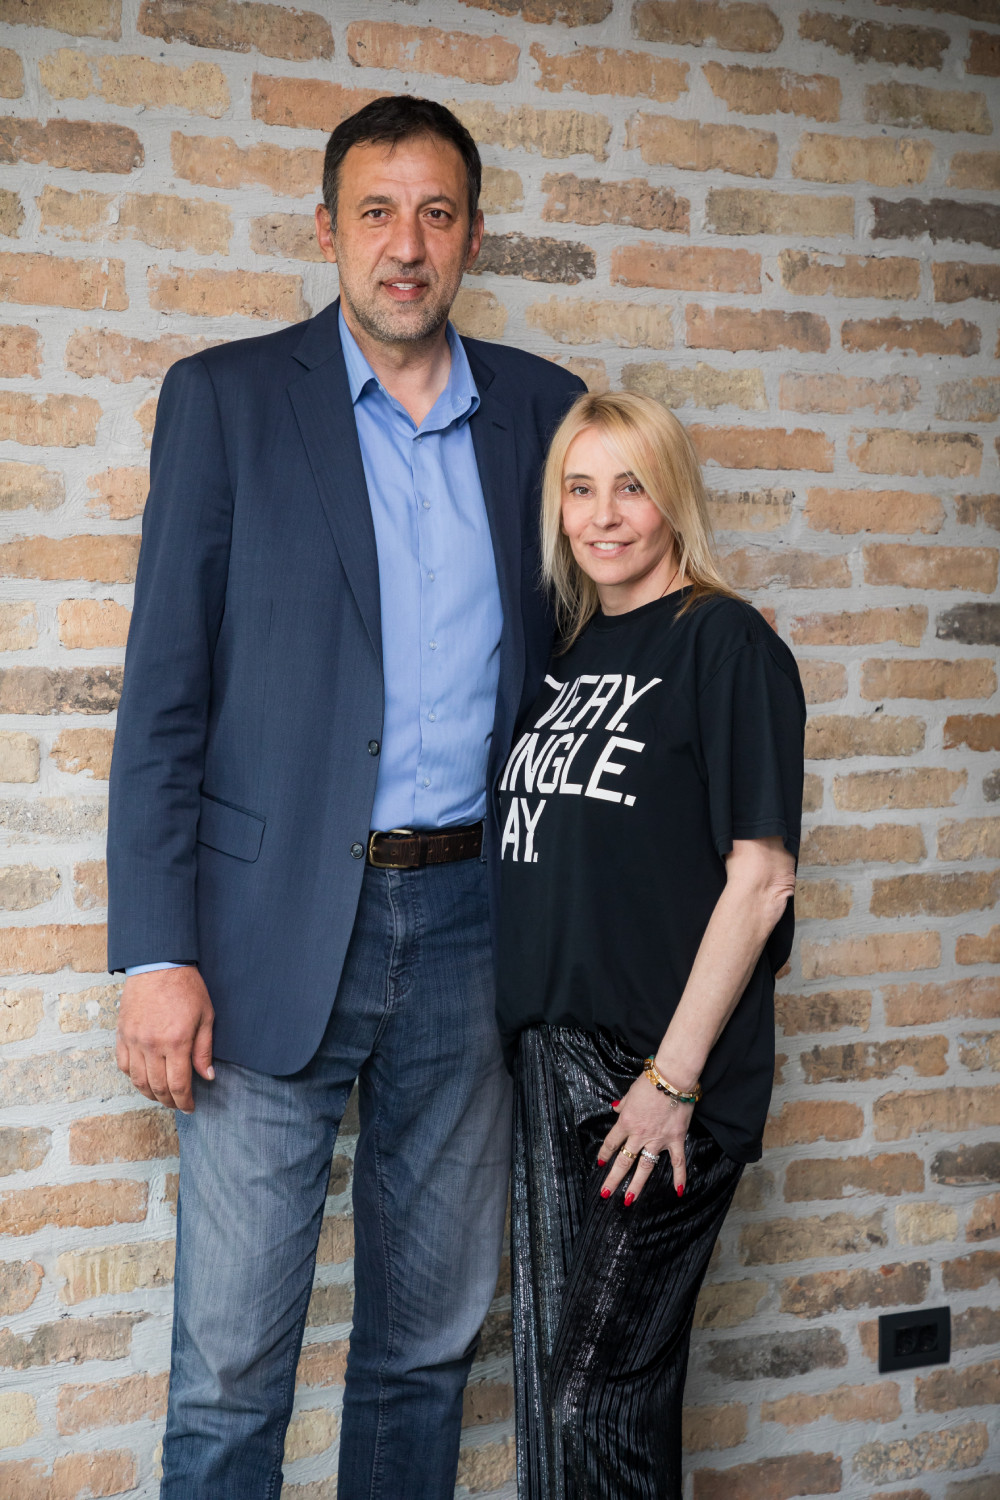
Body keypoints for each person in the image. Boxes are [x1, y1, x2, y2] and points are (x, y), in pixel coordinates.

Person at [106, 95, 584, 1500]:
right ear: (327, 230)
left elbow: (583, 662)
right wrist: (156, 952)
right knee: (229, 1372)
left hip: (474, 927)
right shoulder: (228, 401)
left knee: (426, 1351)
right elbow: (164, 698)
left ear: (474, 239)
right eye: (376, 212)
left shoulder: (544, 412)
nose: (405, 245)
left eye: (436, 214)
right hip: (266, 933)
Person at [496, 391, 806, 1499]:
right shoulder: (568, 653)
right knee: (562, 1409)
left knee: (594, 1401)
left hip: (658, 1075)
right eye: (580, 489)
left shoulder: (724, 640)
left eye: (631, 486)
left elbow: (761, 880)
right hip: (551, 1059)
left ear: (673, 498)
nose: (604, 514)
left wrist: (671, 1082)